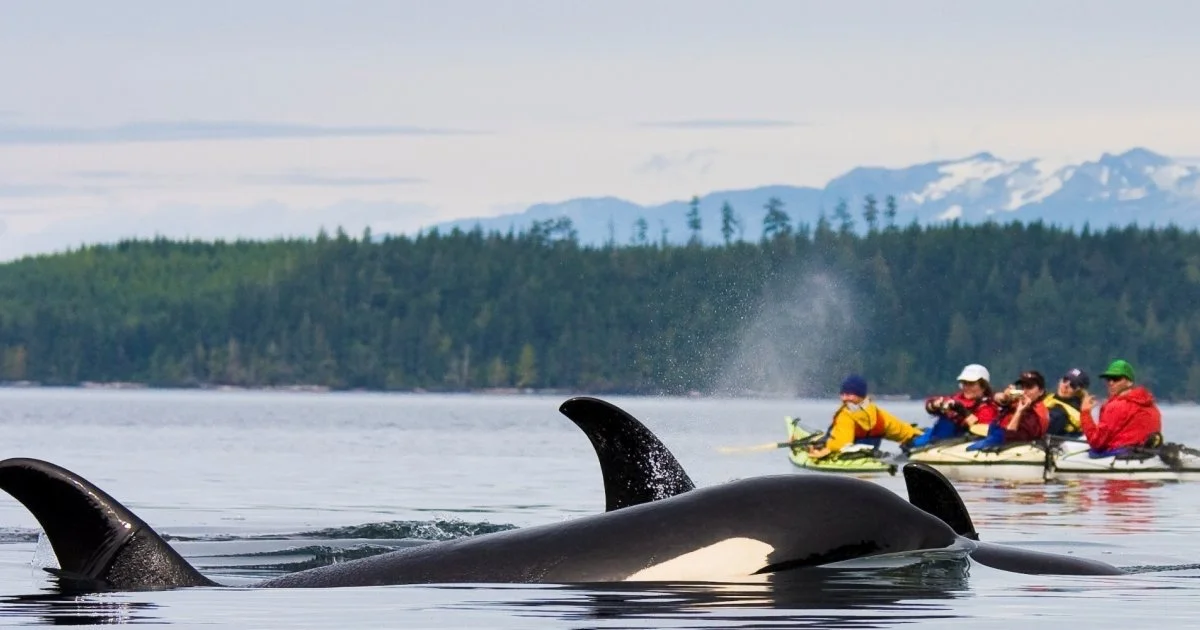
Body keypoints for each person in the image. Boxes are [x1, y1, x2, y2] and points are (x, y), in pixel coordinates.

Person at [806, 374, 923, 459]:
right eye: (843, 394)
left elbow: (841, 444)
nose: (845, 398)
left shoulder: (846, 415)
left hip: (853, 457)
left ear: (860, 395)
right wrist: (916, 435)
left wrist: (825, 445)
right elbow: (902, 431)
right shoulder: (876, 413)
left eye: (849, 394)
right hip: (871, 456)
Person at [1079, 359, 1163, 456]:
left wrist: (1085, 413)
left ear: (1129, 382)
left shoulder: (1116, 406)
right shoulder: (1151, 405)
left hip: (1122, 456)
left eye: (1116, 379)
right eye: (1108, 379)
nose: (1111, 383)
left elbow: (1096, 442)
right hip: (1145, 455)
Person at [907, 363, 1000, 448]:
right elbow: (930, 403)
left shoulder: (988, 406)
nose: (966, 387)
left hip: (964, 441)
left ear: (983, 387)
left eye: (971, 384)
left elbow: (982, 429)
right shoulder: (957, 398)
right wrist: (934, 405)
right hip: (939, 438)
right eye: (964, 383)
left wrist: (962, 411)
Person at [967, 370, 1050, 450]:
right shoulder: (1020, 402)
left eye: (1029, 387)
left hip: (1007, 446)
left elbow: (1010, 436)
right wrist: (1005, 397)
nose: (1024, 391)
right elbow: (994, 398)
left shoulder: (1034, 416)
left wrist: (1019, 411)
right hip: (995, 436)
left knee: (970, 449)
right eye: (1022, 387)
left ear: (1041, 392)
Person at [1043, 368, 1088, 437]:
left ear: (1079, 392)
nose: (1066, 385)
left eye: (1073, 385)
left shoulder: (1061, 414)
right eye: (1065, 380)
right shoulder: (1050, 398)